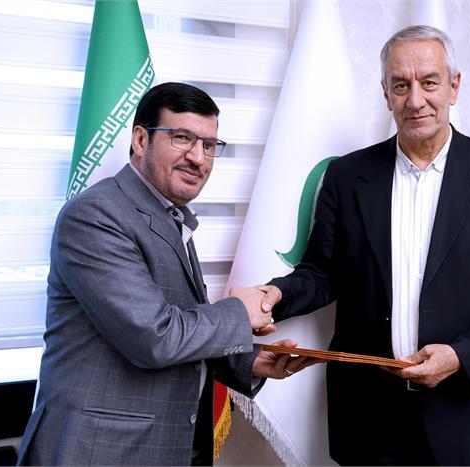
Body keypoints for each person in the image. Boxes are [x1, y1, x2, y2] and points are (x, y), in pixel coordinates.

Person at [252, 26, 470, 465]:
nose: (415, 100)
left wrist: (460, 355)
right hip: (370, 424)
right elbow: (322, 273)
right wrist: (274, 294)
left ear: (454, 86)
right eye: (400, 85)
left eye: (429, 82)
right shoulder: (346, 176)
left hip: (469, 419)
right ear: (385, 92)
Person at [17, 82, 313, 466]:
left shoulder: (170, 215)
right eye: (182, 138)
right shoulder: (95, 215)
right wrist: (241, 312)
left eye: (209, 145)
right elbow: (153, 337)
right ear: (141, 140)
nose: (198, 158)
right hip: (99, 452)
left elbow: (180, 325)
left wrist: (247, 361)